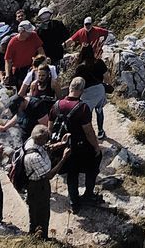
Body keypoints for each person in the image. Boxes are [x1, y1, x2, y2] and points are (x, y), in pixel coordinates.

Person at [52, 77, 103, 212]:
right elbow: (88, 131)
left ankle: (74, 203)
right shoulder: (83, 108)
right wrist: (96, 147)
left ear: (70, 88)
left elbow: (50, 127)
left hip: (63, 146)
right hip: (80, 147)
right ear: (82, 91)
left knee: (72, 174)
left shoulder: (56, 105)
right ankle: (88, 194)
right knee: (93, 165)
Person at [23, 123, 67, 240]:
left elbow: (45, 147)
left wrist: (61, 144)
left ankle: (36, 234)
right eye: (46, 138)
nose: (48, 140)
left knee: (36, 211)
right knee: (41, 212)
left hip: (37, 184)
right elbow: (49, 175)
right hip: (38, 186)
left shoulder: (31, 141)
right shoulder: (33, 157)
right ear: (41, 139)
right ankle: (40, 237)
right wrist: (63, 158)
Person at [74, 44, 109, 139]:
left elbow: (77, 81)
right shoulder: (99, 62)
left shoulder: (80, 66)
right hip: (99, 89)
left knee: (86, 112)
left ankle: (87, 133)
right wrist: (105, 86)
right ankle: (100, 131)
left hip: (86, 92)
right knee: (99, 109)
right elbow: (106, 76)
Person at [4, 19, 43, 88]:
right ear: (21, 31)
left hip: (32, 66)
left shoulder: (33, 35)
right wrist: (7, 74)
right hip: (18, 70)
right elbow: (8, 60)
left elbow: (40, 49)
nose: (30, 33)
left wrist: (43, 62)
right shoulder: (13, 43)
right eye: (28, 32)